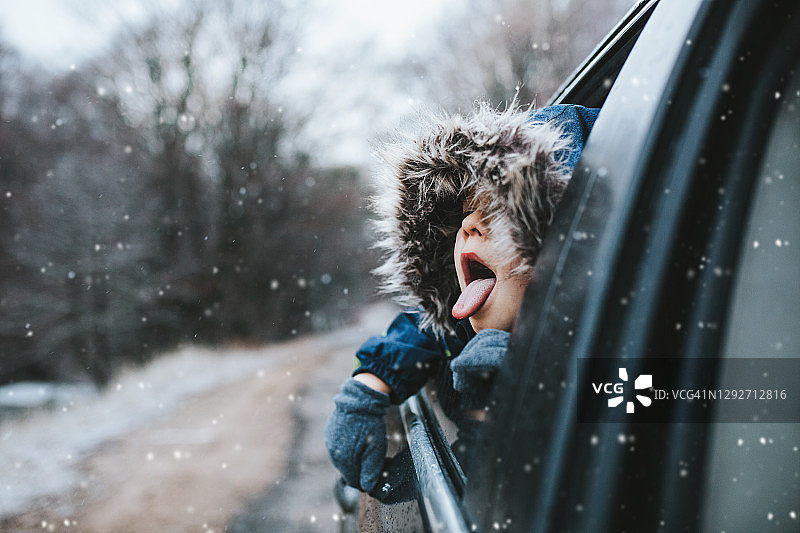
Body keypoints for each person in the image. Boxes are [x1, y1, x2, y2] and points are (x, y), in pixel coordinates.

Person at [325, 102, 599, 494]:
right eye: (468, 210)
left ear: (569, 249)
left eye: (503, 212)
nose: (468, 225)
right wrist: (369, 384)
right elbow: (426, 326)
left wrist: (498, 405)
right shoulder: (464, 325)